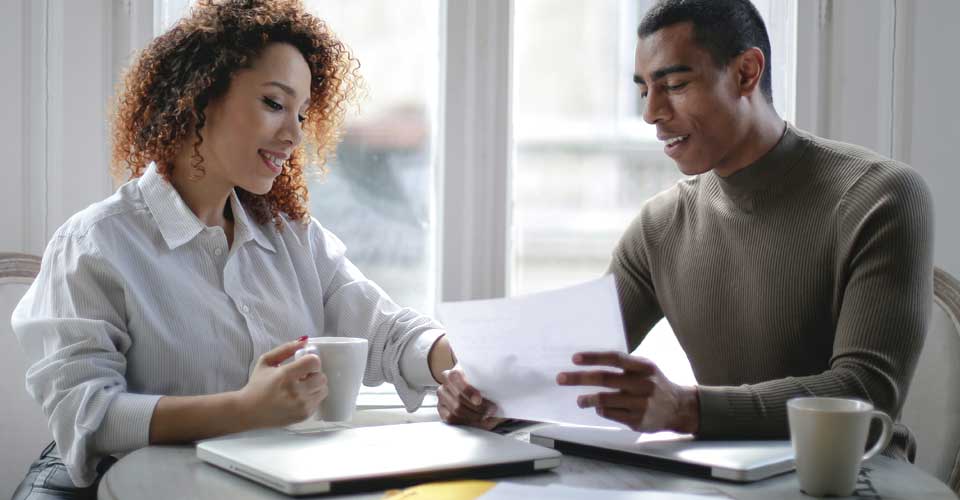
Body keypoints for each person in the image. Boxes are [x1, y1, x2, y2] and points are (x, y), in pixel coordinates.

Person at [437, 0, 932, 461]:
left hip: (859, 474)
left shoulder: (880, 196)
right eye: (644, 90)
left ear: (746, 72)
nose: (651, 113)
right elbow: (574, 371)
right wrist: (487, 399)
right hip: (732, 477)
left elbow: (866, 390)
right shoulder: (660, 227)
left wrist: (685, 408)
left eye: (673, 85)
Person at [10, 1, 457, 497]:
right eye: (274, 103)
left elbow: (390, 333)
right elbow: (86, 415)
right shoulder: (94, 243)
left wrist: (463, 367)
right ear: (200, 96)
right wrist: (246, 409)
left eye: (302, 114)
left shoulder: (291, 237)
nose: (294, 134)